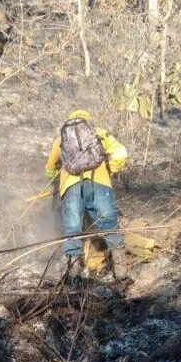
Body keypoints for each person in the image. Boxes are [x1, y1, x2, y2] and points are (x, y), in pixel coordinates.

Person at [44, 109, 129, 281]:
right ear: (88, 122)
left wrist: (55, 177)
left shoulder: (61, 139)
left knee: (73, 229)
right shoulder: (100, 134)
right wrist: (110, 169)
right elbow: (121, 153)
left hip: (71, 187)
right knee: (108, 222)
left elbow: (49, 168)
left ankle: (74, 272)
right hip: (100, 183)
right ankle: (120, 269)